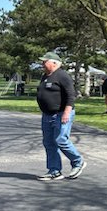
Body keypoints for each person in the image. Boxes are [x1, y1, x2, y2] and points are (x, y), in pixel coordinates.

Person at [36, 51, 86, 181]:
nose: (42, 64)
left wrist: (66, 113)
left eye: (44, 61)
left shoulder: (62, 76)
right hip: (47, 115)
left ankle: (78, 161)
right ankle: (54, 171)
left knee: (61, 140)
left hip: (61, 114)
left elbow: (70, 95)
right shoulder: (45, 76)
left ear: (54, 63)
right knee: (49, 143)